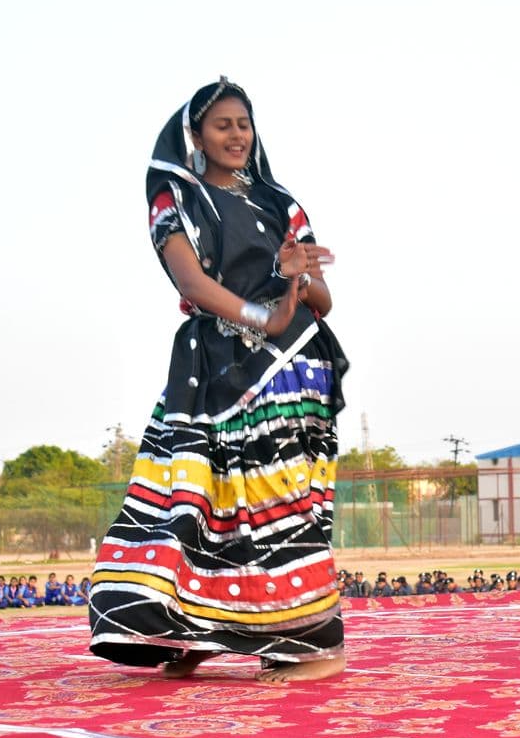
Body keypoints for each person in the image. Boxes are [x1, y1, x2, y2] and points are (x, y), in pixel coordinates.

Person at [88, 77, 348, 683]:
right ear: (196, 135)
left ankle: (315, 645)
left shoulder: (280, 202)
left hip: (285, 366)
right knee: (196, 497)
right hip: (210, 362)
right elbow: (190, 283)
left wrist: (292, 279)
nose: (237, 135)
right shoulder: (174, 194)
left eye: (244, 124)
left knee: (270, 500)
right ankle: (196, 630)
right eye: (223, 124)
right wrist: (261, 311)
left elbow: (323, 299)